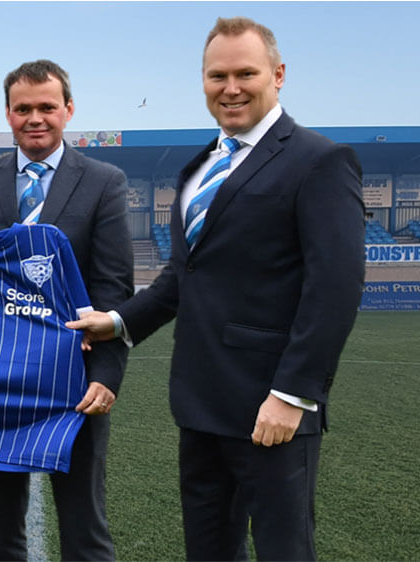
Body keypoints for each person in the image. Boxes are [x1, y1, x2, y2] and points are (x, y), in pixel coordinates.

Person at [68, 17, 365, 561]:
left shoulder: (319, 161)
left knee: (283, 551)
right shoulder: (198, 169)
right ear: (203, 81)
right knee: (208, 552)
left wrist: (292, 394)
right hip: (199, 405)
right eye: (217, 75)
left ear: (277, 75)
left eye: (245, 73)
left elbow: (336, 288)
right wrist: (118, 322)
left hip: (271, 409)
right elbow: (184, 276)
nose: (231, 88)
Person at [0, 59, 134, 561]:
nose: (36, 118)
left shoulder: (104, 181)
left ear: (68, 110)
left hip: (74, 382)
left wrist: (107, 375)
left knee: (84, 528)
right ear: (7, 114)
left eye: (47, 107)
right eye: (23, 108)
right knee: (1, 531)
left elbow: (114, 286)